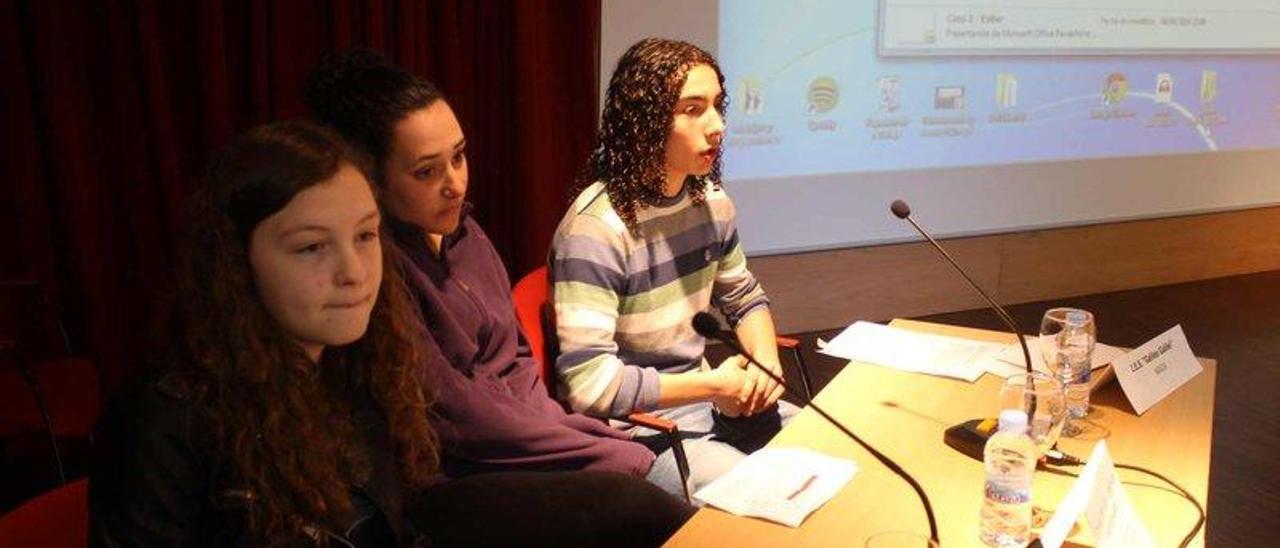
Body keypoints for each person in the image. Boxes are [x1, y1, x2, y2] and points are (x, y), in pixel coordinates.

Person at [89, 120, 691, 547]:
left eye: (365, 235)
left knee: (638, 511)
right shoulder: (165, 418)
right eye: (311, 247)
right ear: (237, 263)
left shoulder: (362, 363)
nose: (353, 272)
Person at [301, 51, 658, 478]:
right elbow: (456, 416)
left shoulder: (468, 236)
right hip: (454, 472)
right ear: (372, 178)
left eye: (459, 157)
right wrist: (594, 454)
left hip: (526, 443)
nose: (454, 184)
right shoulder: (378, 270)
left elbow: (517, 363)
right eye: (426, 172)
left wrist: (576, 435)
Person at [549, 37, 798, 498]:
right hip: (637, 433)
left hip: (710, 403)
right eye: (693, 109)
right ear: (646, 122)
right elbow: (589, 386)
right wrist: (711, 384)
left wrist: (766, 364)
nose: (718, 126)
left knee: (830, 457)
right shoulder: (596, 230)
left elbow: (745, 299)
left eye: (719, 107)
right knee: (767, 497)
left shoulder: (713, 203)